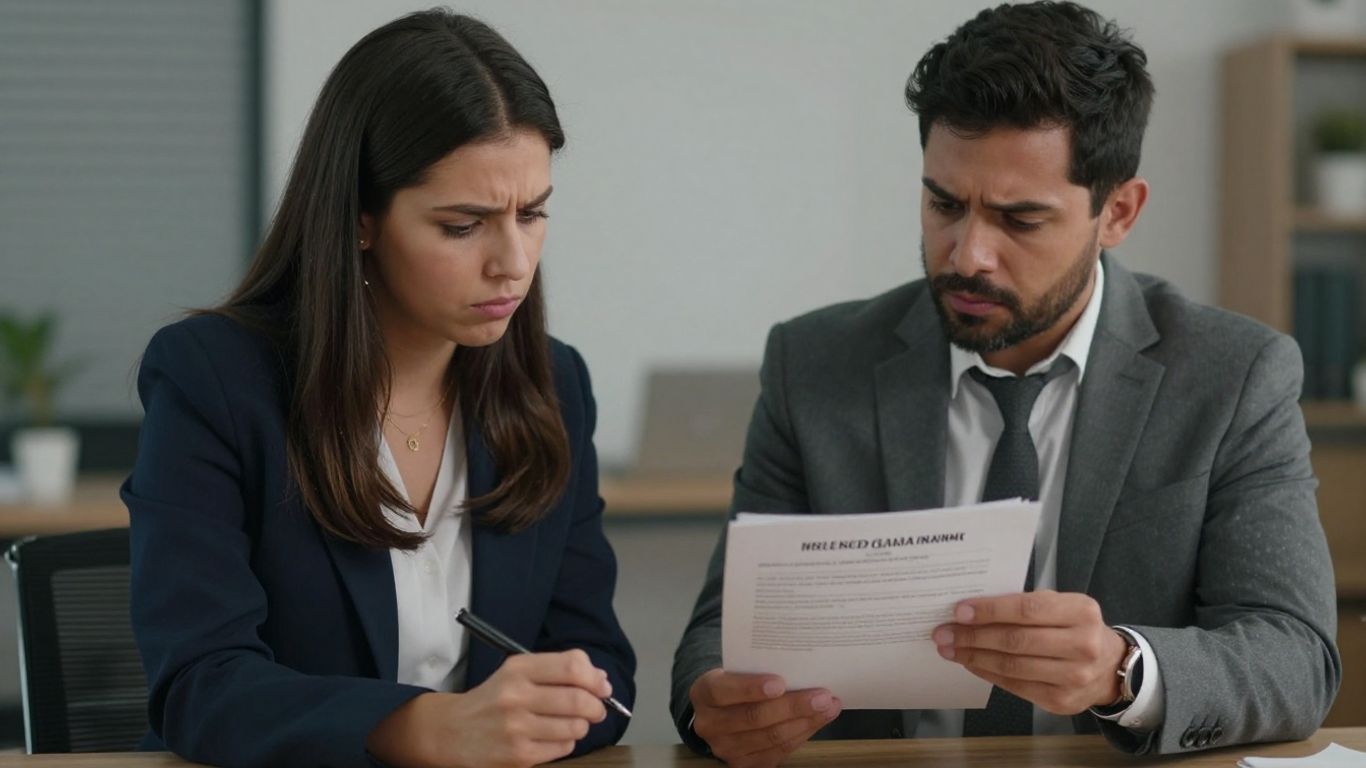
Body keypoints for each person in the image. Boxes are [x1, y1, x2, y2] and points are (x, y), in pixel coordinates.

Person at [671, 2, 1340, 765]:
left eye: (1020, 220)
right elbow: (717, 636)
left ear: (1117, 211)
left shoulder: (1231, 377)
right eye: (944, 204)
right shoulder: (815, 365)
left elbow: (1296, 656)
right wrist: (713, 703)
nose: (967, 255)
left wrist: (1123, 670)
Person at [122, 10, 635, 768]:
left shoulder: (554, 384)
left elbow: (599, 666)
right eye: (463, 226)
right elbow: (201, 685)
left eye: (532, 213)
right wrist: (421, 728)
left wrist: (557, 707)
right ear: (361, 220)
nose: (513, 262)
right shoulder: (214, 379)